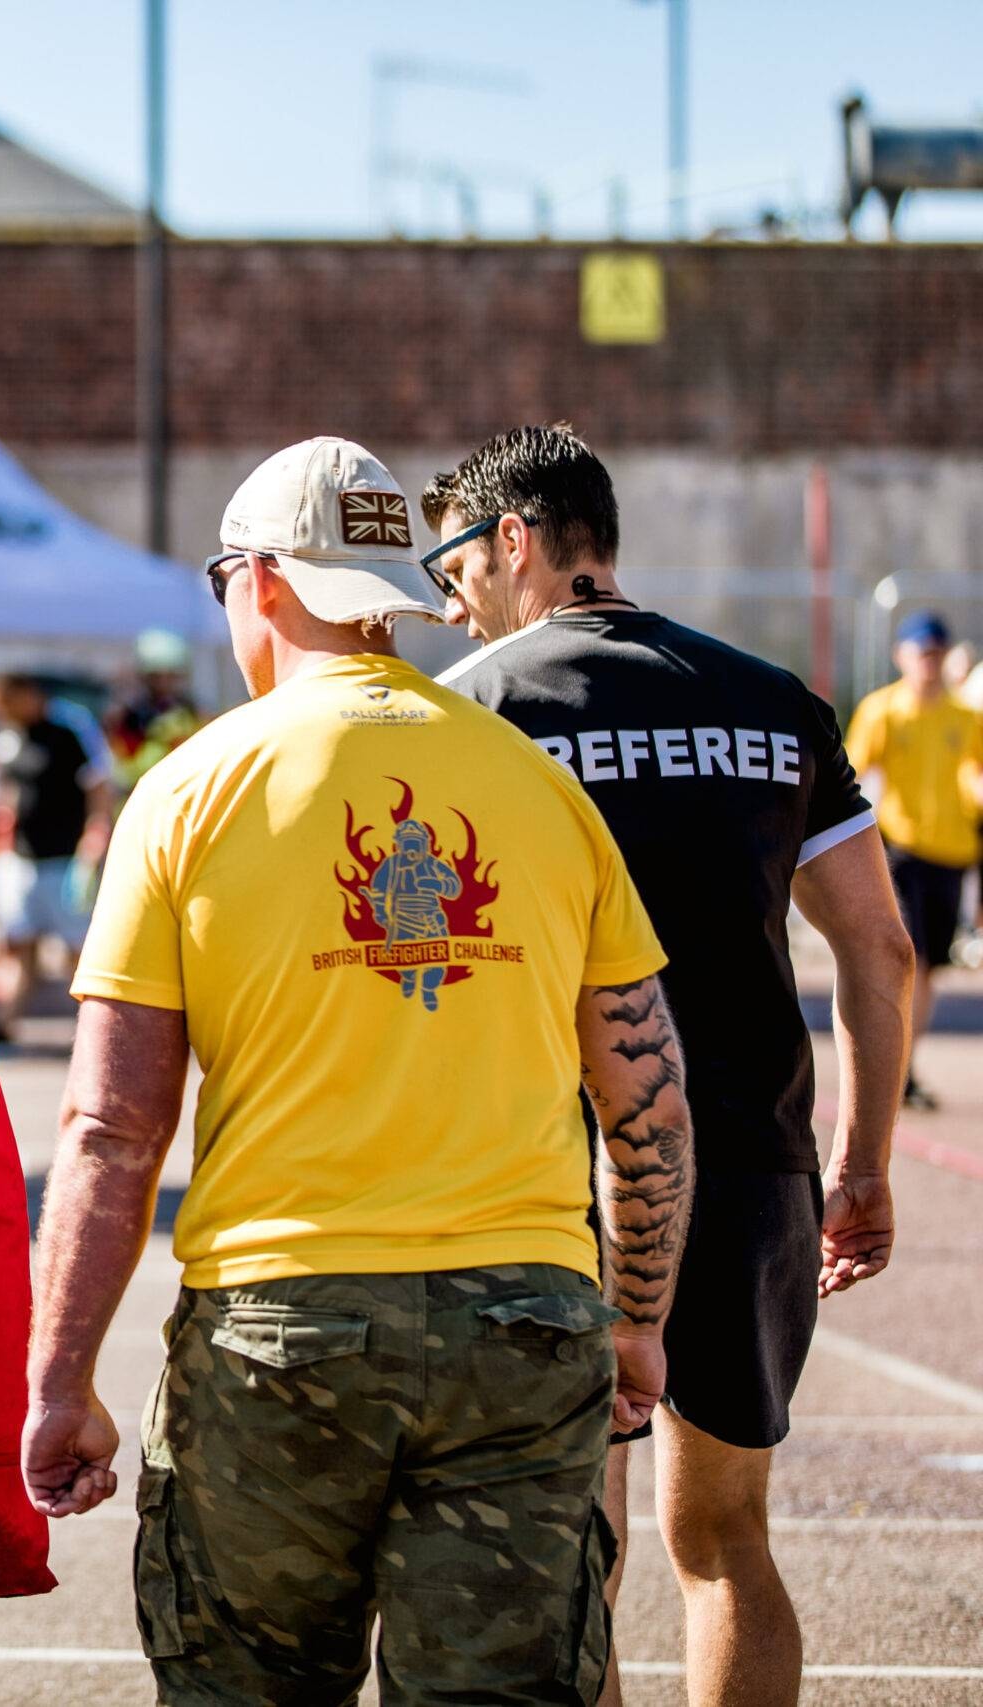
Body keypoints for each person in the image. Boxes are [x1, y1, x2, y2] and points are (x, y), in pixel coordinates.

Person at [24, 437, 695, 1706]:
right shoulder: (534, 785)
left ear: (262, 583)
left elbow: (111, 1126)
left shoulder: (186, 795)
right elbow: (644, 1097)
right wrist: (640, 1323)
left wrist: (60, 1381)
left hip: (280, 1337)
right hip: (524, 1324)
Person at [423, 423, 914, 1707]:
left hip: (561, 1168)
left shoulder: (479, 710)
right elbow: (881, 949)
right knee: (727, 1542)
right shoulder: (768, 698)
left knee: (571, 1550)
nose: (447, 602)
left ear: (513, 541)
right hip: (755, 1158)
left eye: (451, 569)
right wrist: (857, 1166)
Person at [844, 609, 983, 1110]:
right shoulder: (885, 710)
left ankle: (904, 1067)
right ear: (902, 656)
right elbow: (852, 773)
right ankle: (891, 1070)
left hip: (953, 852)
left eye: (936, 654)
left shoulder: (966, 718)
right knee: (910, 959)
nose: (929, 663)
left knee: (929, 970)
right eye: (921, 653)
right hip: (903, 851)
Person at [0, 671, 109, 1040]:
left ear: (27, 694)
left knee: (75, 951)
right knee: (16, 943)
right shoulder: (8, 737)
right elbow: (7, 798)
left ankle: (95, 1027)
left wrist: (95, 838)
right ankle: (4, 1022)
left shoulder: (70, 729)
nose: (0, 713)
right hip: (19, 861)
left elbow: (98, 788)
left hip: (66, 861)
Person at [114, 626, 206, 791]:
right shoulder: (131, 716)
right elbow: (124, 767)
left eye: (170, 676)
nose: (164, 683)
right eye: (156, 676)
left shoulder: (192, 712)